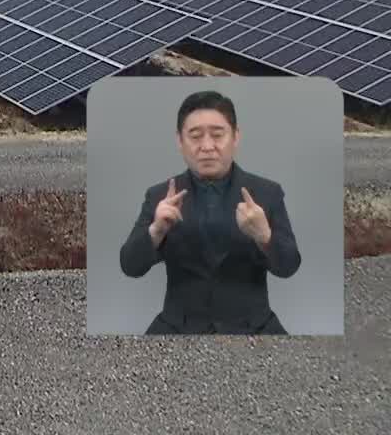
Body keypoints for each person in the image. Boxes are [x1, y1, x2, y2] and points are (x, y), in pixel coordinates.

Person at [119, 88, 301, 333]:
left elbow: (289, 266)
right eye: (195, 136)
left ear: (236, 137)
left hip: (254, 327)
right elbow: (130, 266)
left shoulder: (267, 193)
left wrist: (264, 237)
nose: (207, 146)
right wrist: (156, 231)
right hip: (177, 328)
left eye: (217, 135)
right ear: (179, 141)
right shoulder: (160, 196)